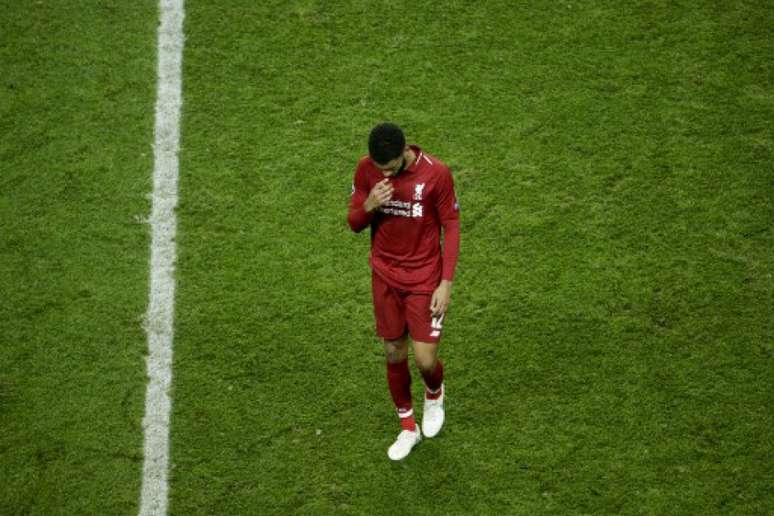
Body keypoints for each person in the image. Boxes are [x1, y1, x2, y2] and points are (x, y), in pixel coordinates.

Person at [347, 122, 460, 460]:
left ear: (404, 153)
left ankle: (434, 392)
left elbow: (451, 226)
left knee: (425, 360)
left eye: (390, 167)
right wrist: (369, 204)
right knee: (394, 353)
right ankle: (408, 428)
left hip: (425, 279)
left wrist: (446, 283)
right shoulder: (367, 169)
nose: (384, 174)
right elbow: (354, 223)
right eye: (379, 168)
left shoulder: (436, 174)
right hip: (384, 276)